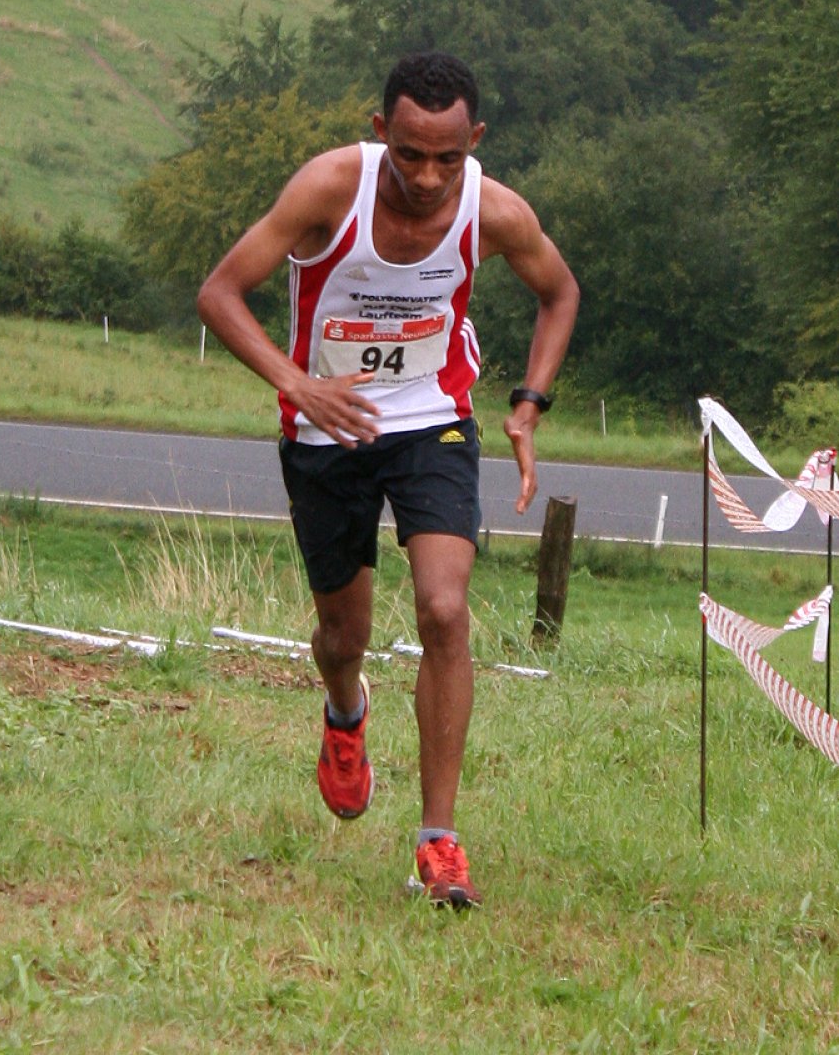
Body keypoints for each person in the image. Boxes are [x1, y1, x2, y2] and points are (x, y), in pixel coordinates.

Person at [197, 51, 579, 909]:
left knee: (444, 608)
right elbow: (220, 293)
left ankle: (438, 843)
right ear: (381, 132)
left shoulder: (494, 210)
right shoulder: (330, 188)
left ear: (475, 140)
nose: (429, 177)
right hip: (325, 426)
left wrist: (528, 405)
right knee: (344, 636)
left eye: (449, 157)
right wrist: (296, 384)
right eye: (410, 154)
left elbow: (560, 293)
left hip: (433, 418)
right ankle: (345, 711)